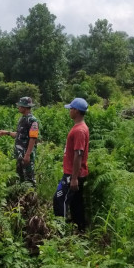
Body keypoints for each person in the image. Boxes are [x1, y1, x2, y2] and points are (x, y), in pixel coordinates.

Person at [55, 97, 90, 231]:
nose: (69, 111)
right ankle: (80, 229)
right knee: (76, 203)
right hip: (75, 173)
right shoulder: (80, 127)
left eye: (71, 109)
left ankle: (60, 230)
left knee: (59, 200)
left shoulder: (79, 130)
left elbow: (78, 154)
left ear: (76, 111)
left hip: (73, 174)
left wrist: (74, 178)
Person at [0, 96, 39, 187]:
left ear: (24, 107)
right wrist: (7, 133)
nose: (18, 107)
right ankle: (22, 198)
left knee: (29, 179)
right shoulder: (22, 119)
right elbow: (19, 135)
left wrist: (27, 155)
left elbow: (33, 138)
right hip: (20, 155)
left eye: (20, 106)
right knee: (20, 178)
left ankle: (31, 197)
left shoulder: (32, 120)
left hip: (26, 155)